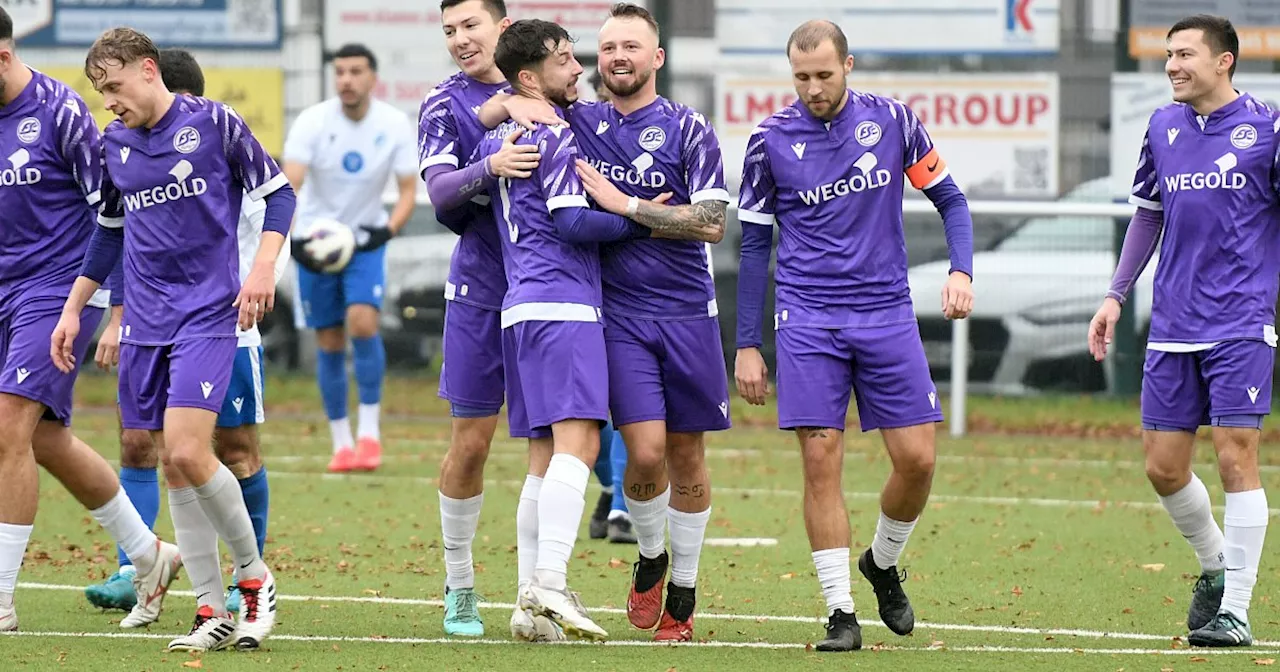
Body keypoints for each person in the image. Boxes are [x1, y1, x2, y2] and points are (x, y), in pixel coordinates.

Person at [483, 2, 729, 642]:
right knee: (644, 453)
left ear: (657, 57)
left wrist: (625, 202)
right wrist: (505, 105)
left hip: (688, 312)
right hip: (615, 316)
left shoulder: (688, 127)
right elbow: (507, 97)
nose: (617, 56)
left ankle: (685, 589)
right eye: (608, 46)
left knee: (688, 456)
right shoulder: (576, 119)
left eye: (631, 46)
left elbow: (709, 223)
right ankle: (650, 557)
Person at [734, 20, 974, 652]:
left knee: (918, 461)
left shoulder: (894, 120)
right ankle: (840, 610)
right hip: (808, 320)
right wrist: (748, 342)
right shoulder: (768, 140)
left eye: (824, 74)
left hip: (886, 313)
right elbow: (754, 246)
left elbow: (951, 200)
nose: (813, 88)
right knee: (821, 459)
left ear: (848, 66)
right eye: (801, 77)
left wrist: (960, 269)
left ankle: (883, 562)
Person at [54, 26, 292, 651]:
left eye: (112, 85)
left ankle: (254, 577)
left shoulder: (215, 122)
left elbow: (279, 194)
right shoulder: (115, 144)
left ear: (148, 68)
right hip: (145, 324)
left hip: (209, 313)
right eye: (100, 91)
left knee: (190, 452)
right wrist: (75, 310)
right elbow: (107, 233)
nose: (107, 101)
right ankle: (208, 609)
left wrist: (262, 267)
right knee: (172, 468)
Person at [1088, 14, 1278, 648]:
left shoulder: (1268, 127)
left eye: (1185, 54)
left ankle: (1238, 612)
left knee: (1234, 457)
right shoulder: (1163, 127)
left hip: (1242, 319)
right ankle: (1217, 567)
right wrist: (1116, 295)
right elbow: (1148, 216)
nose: (1172, 65)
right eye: (1169, 54)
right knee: (1164, 468)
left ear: (1223, 62)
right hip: (1173, 320)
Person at [0, 9, 183, 634]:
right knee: (43, 440)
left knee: (7, 431)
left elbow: (116, 212)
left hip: (53, 290)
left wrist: (115, 309)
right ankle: (148, 555)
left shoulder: (60, 111)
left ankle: (0, 600)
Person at [282, 43, 419, 473]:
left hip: (363, 244)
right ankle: (342, 443)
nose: (346, 79)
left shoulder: (394, 123)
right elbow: (290, 186)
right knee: (328, 340)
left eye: (355, 71)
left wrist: (386, 230)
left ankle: (370, 435)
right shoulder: (312, 122)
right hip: (317, 247)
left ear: (371, 78)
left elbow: (409, 191)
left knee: (363, 321)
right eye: (339, 71)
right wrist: (295, 240)